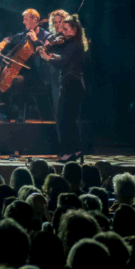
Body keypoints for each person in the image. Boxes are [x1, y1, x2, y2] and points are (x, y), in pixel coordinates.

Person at [37, 15, 88, 162]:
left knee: (63, 119)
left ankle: (68, 152)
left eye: (65, 29)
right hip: (74, 83)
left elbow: (64, 62)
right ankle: (77, 150)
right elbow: (66, 59)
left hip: (71, 83)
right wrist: (54, 56)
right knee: (69, 119)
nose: (63, 32)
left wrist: (48, 58)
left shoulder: (73, 44)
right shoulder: (74, 43)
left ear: (74, 30)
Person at [0, 9, 50, 122]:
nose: (23, 22)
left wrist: (36, 40)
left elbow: (47, 51)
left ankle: (19, 113)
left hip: (37, 73)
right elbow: (11, 38)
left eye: (26, 19)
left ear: (35, 19)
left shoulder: (45, 35)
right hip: (21, 70)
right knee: (1, 78)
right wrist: (3, 43)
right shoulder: (24, 33)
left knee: (16, 81)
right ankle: (4, 112)